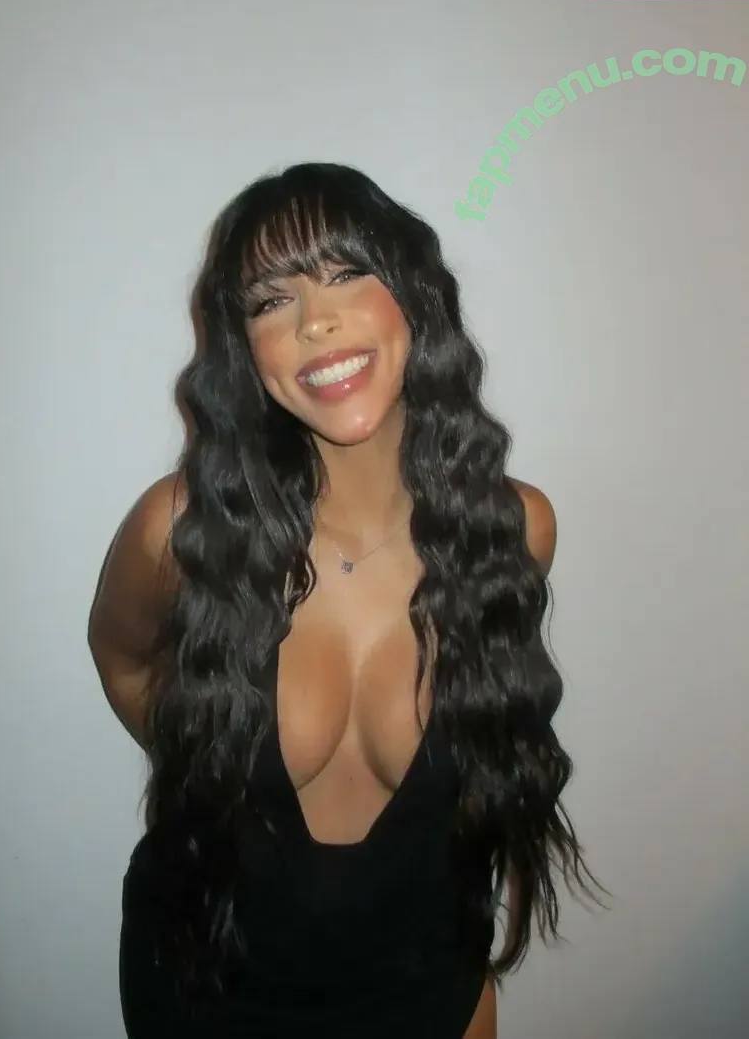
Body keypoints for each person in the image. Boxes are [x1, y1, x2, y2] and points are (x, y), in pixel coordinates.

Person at [87, 162, 599, 1038]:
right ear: (244, 349)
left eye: (346, 272)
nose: (313, 321)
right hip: (210, 986)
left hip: (425, 988)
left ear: (415, 297)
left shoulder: (515, 529)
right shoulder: (180, 532)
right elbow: (123, 659)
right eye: (269, 301)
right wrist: (210, 758)